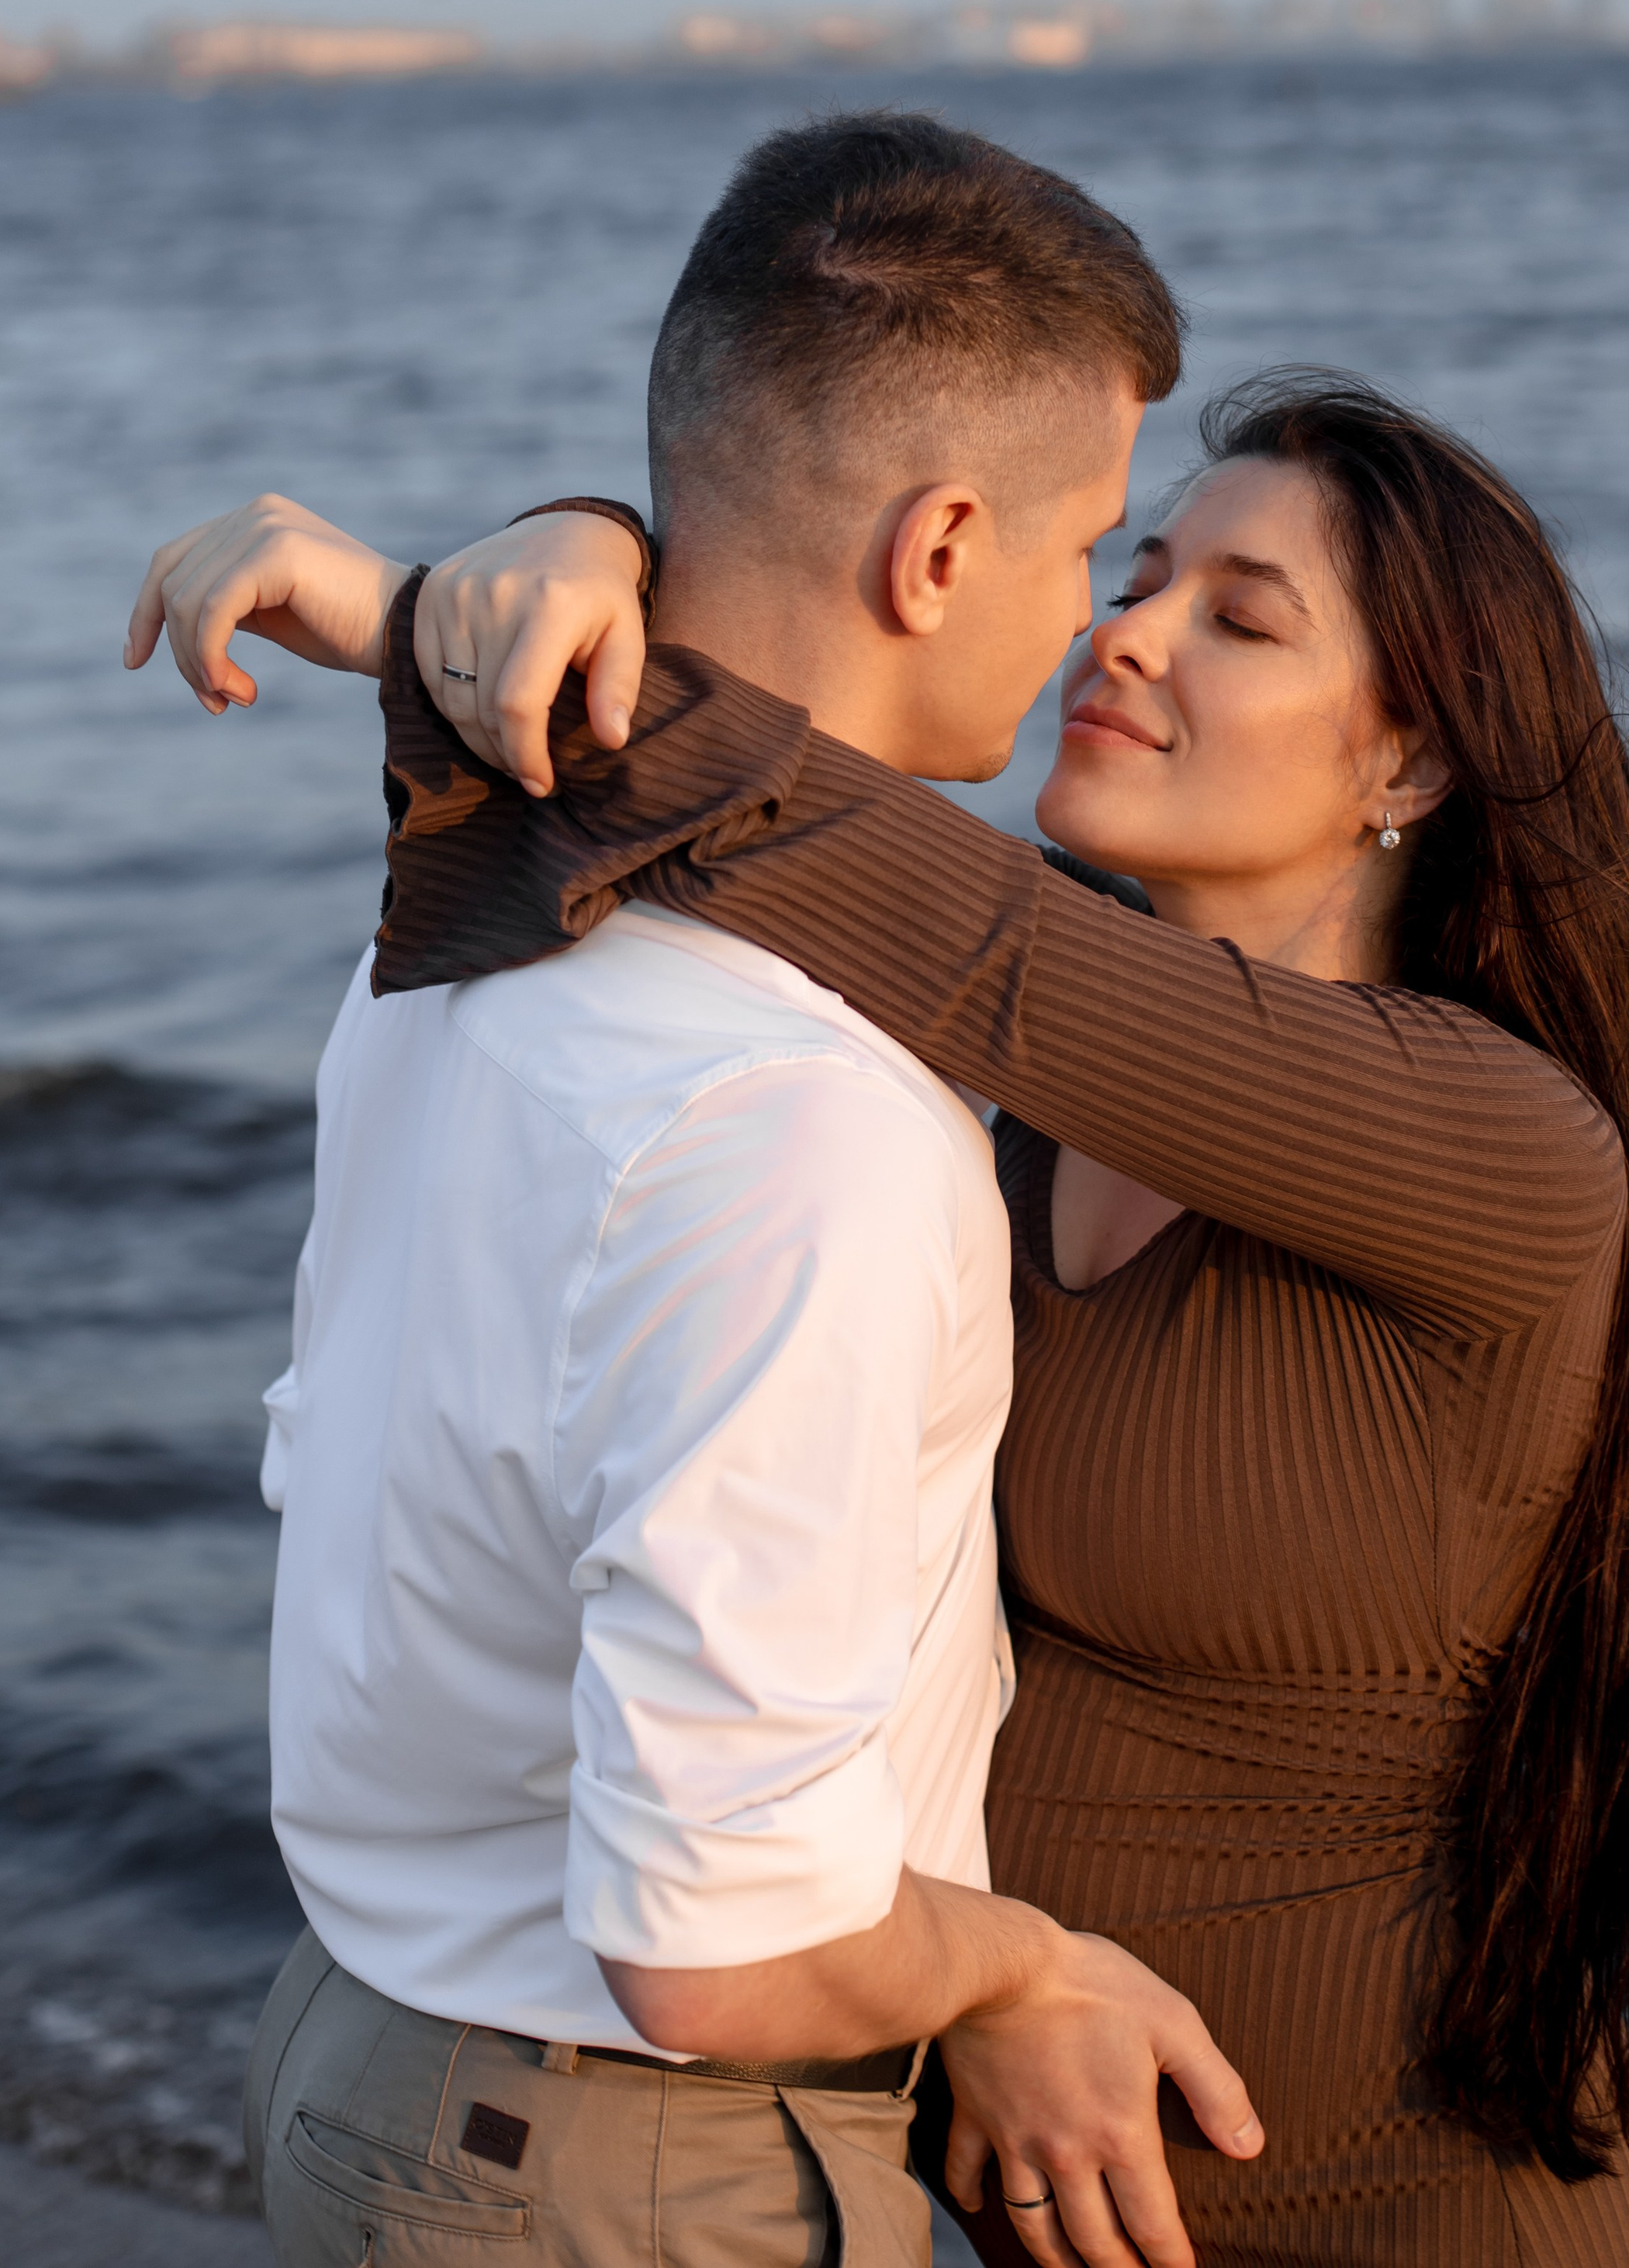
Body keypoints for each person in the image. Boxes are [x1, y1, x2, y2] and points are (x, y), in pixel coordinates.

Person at [142, 365, 1629, 2268]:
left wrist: (452, 608)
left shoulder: (1493, 1146)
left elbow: (874, 875)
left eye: (1236, 618)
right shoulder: (995, 1124)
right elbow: (743, 786)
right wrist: (585, 543)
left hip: (1401, 2211)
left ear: (1407, 764)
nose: (1125, 630)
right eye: (1135, 569)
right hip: (1014, 2201)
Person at [128, 113, 1268, 2268]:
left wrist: (537, 548)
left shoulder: (458, 937)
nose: (1083, 621)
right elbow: (719, 1944)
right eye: (1084, 545)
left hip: (359, 2049)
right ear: (938, 552)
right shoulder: (804, 1125)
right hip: (615, 2166)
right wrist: (1024, 1964)